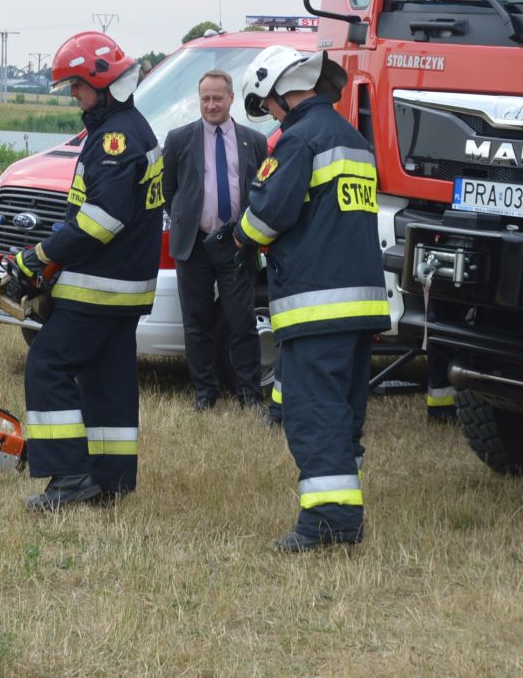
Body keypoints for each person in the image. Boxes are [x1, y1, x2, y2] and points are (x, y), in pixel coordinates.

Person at [227, 45, 390, 552]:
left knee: (313, 413)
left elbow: (267, 217)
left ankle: (329, 524)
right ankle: (343, 505)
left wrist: (235, 238)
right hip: (360, 304)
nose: (271, 115)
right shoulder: (353, 139)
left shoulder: (298, 141)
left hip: (317, 304)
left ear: (278, 92)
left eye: (269, 105)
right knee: (343, 412)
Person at [10, 31, 162, 512]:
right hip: (125, 287)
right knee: (107, 379)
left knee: (48, 364)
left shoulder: (115, 137)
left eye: (77, 85)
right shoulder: (132, 127)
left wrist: (36, 257)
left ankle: (70, 477)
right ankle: (108, 478)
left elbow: (102, 219)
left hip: (99, 286)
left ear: (102, 81)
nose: (74, 95)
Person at [162, 69, 269, 412]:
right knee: (196, 322)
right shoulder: (179, 139)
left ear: (231, 99)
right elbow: (170, 192)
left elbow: (260, 191)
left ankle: (249, 394)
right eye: (205, 98)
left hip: (237, 244)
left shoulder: (254, 141)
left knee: (241, 321)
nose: (211, 105)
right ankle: (205, 394)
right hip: (193, 243)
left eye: (217, 98)